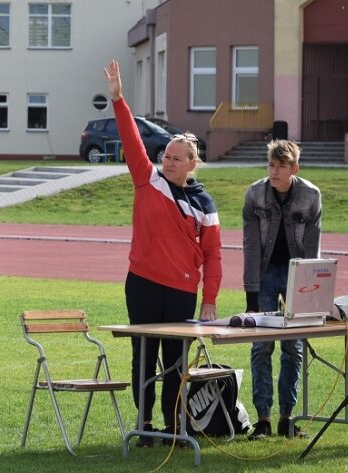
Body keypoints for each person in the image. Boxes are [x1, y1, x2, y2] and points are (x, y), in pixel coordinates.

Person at [103, 60, 222, 446]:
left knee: (175, 364)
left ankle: (174, 428)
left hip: (183, 291)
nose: (167, 161)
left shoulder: (204, 202)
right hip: (143, 285)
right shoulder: (146, 179)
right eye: (165, 156)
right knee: (143, 359)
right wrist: (119, 99)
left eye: (176, 158)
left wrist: (211, 299)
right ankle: (145, 428)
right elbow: (131, 138)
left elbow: (213, 254)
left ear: (192, 164)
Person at [242, 140, 322, 440]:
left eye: (281, 166)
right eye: (271, 165)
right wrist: (251, 293)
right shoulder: (254, 194)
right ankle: (262, 419)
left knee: (293, 347)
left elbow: (313, 249)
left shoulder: (311, 195)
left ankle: (287, 418)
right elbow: (250, 245)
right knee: (261, 345)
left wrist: (310, 292)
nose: (274, 171)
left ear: (294, 168)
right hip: (264, 275)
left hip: (297, 275)